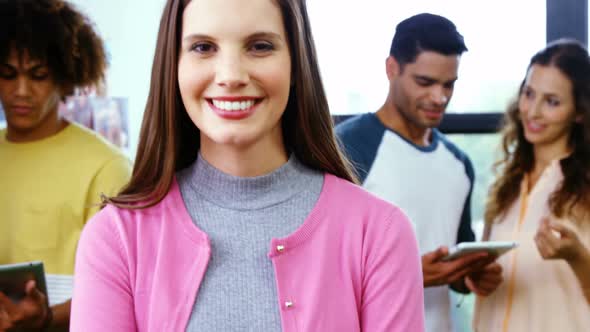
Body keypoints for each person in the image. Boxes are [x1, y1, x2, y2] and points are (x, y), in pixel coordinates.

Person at [70, 0, 425, 331]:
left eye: (259, 46)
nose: (231, 75)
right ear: (173, 66)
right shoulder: (115, 238)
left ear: (296, 63)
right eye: (203, 47)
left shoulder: (379, 233)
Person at [336, 13, 502, 332]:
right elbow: (318, 269)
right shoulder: (346, 147)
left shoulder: (458, 164)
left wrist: (473, 276)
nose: (439, 98)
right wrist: (406, 274)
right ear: (391, 69)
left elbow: (455, 267)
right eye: (425, 82)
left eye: (448, 85)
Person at [0, 0, 132, 330]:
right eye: (7, 74)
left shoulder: (106, 166)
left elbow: (127, 287)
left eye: (38, 75)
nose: (21, 91)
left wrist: (45, 319)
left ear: (65, 76)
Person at [473, 39, 590, 332]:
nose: (533, 111)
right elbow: (487, 272)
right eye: (529, 94)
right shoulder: (504, 187)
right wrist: (475, 277)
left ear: (579, 112)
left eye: (552, 101)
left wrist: (577, 256)